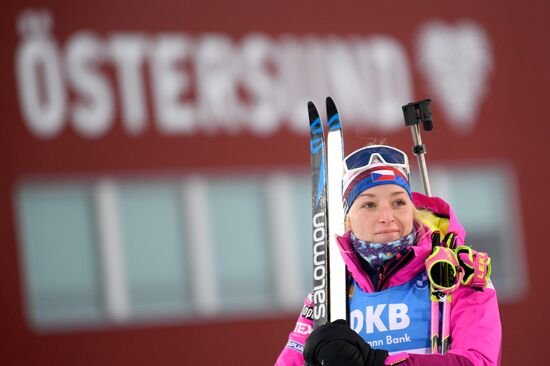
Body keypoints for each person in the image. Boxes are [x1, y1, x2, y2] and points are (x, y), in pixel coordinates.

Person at [275, 144, 501, 366]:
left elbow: (477, 361)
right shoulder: (330, 294)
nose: (386, 216)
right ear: (348, 220)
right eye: (369, 204)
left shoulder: (459, 273)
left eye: (398, 202)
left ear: (412, 210)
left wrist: (378, 362)